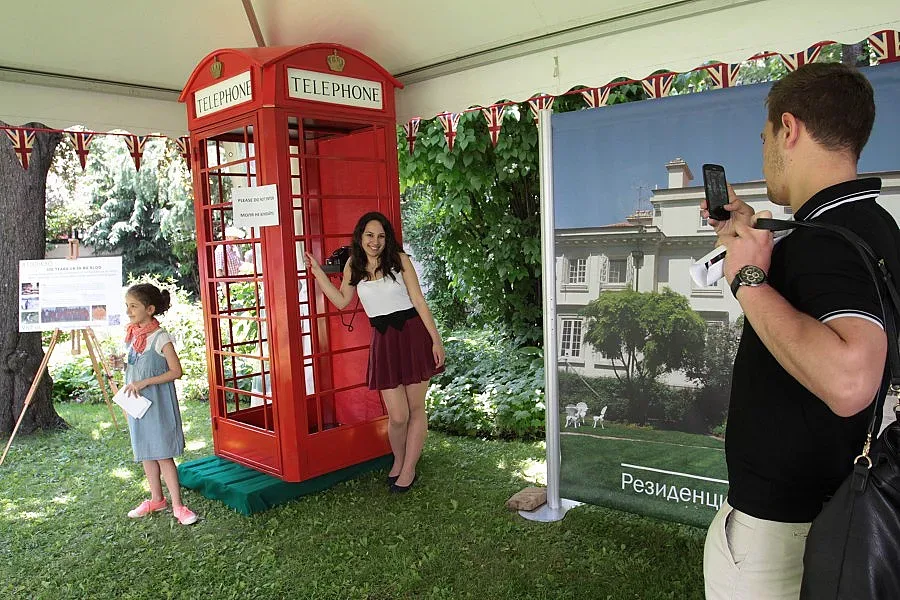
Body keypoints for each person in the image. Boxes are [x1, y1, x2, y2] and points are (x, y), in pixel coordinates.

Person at [701, 62, 900, 598]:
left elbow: (850, 380)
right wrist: (755, 239)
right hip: (836, 516)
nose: (764, 151)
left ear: (788, 129)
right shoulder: (873, 226)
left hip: (783, 535)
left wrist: (747, 281)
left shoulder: (826, 239)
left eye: (764, 137)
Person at [304, 212, 445, 493]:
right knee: (398, 416)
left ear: (387, 238)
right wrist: (319, 273)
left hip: (413, 336)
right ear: (360, 236)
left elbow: (418, 300)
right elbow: (342, 301)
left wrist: (436, 340)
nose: (375, 241)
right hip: (384, 341)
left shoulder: (399, 260)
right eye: (369, 235)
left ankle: (408, 468)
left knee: (416, 409)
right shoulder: (354, 265)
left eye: (380, 236)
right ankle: (399, 459)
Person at [112, 283, 198, 525]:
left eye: (133, 306)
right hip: (137, 405)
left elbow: (176, 371)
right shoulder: (132, 335)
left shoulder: (161, 337)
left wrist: (145, 382)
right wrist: (120, 364)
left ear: (149, 309)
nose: (128, 311)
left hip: (157, 404)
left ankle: (178, 505)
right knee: (146, 452)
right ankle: (156, 499)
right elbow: (134, 366)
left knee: (163, 454)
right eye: (127, 306)